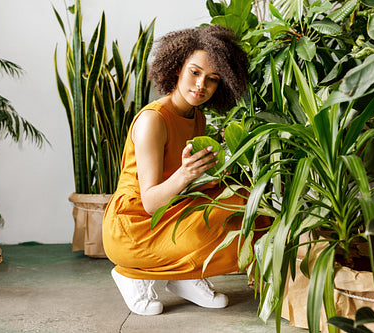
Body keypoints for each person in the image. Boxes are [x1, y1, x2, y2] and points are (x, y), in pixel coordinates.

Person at [102, 25, 268, 316]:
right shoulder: (153, 120)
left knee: (253, 207)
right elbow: (151, 200)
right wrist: (186, 174)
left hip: (171, 213)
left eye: (212, 79)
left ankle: (185, 279)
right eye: (194, 72)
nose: (201, 84)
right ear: (176, 67)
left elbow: (187, 184)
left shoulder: (197, 116)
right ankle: (131, 274)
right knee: (226, 221)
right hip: (134, 226)